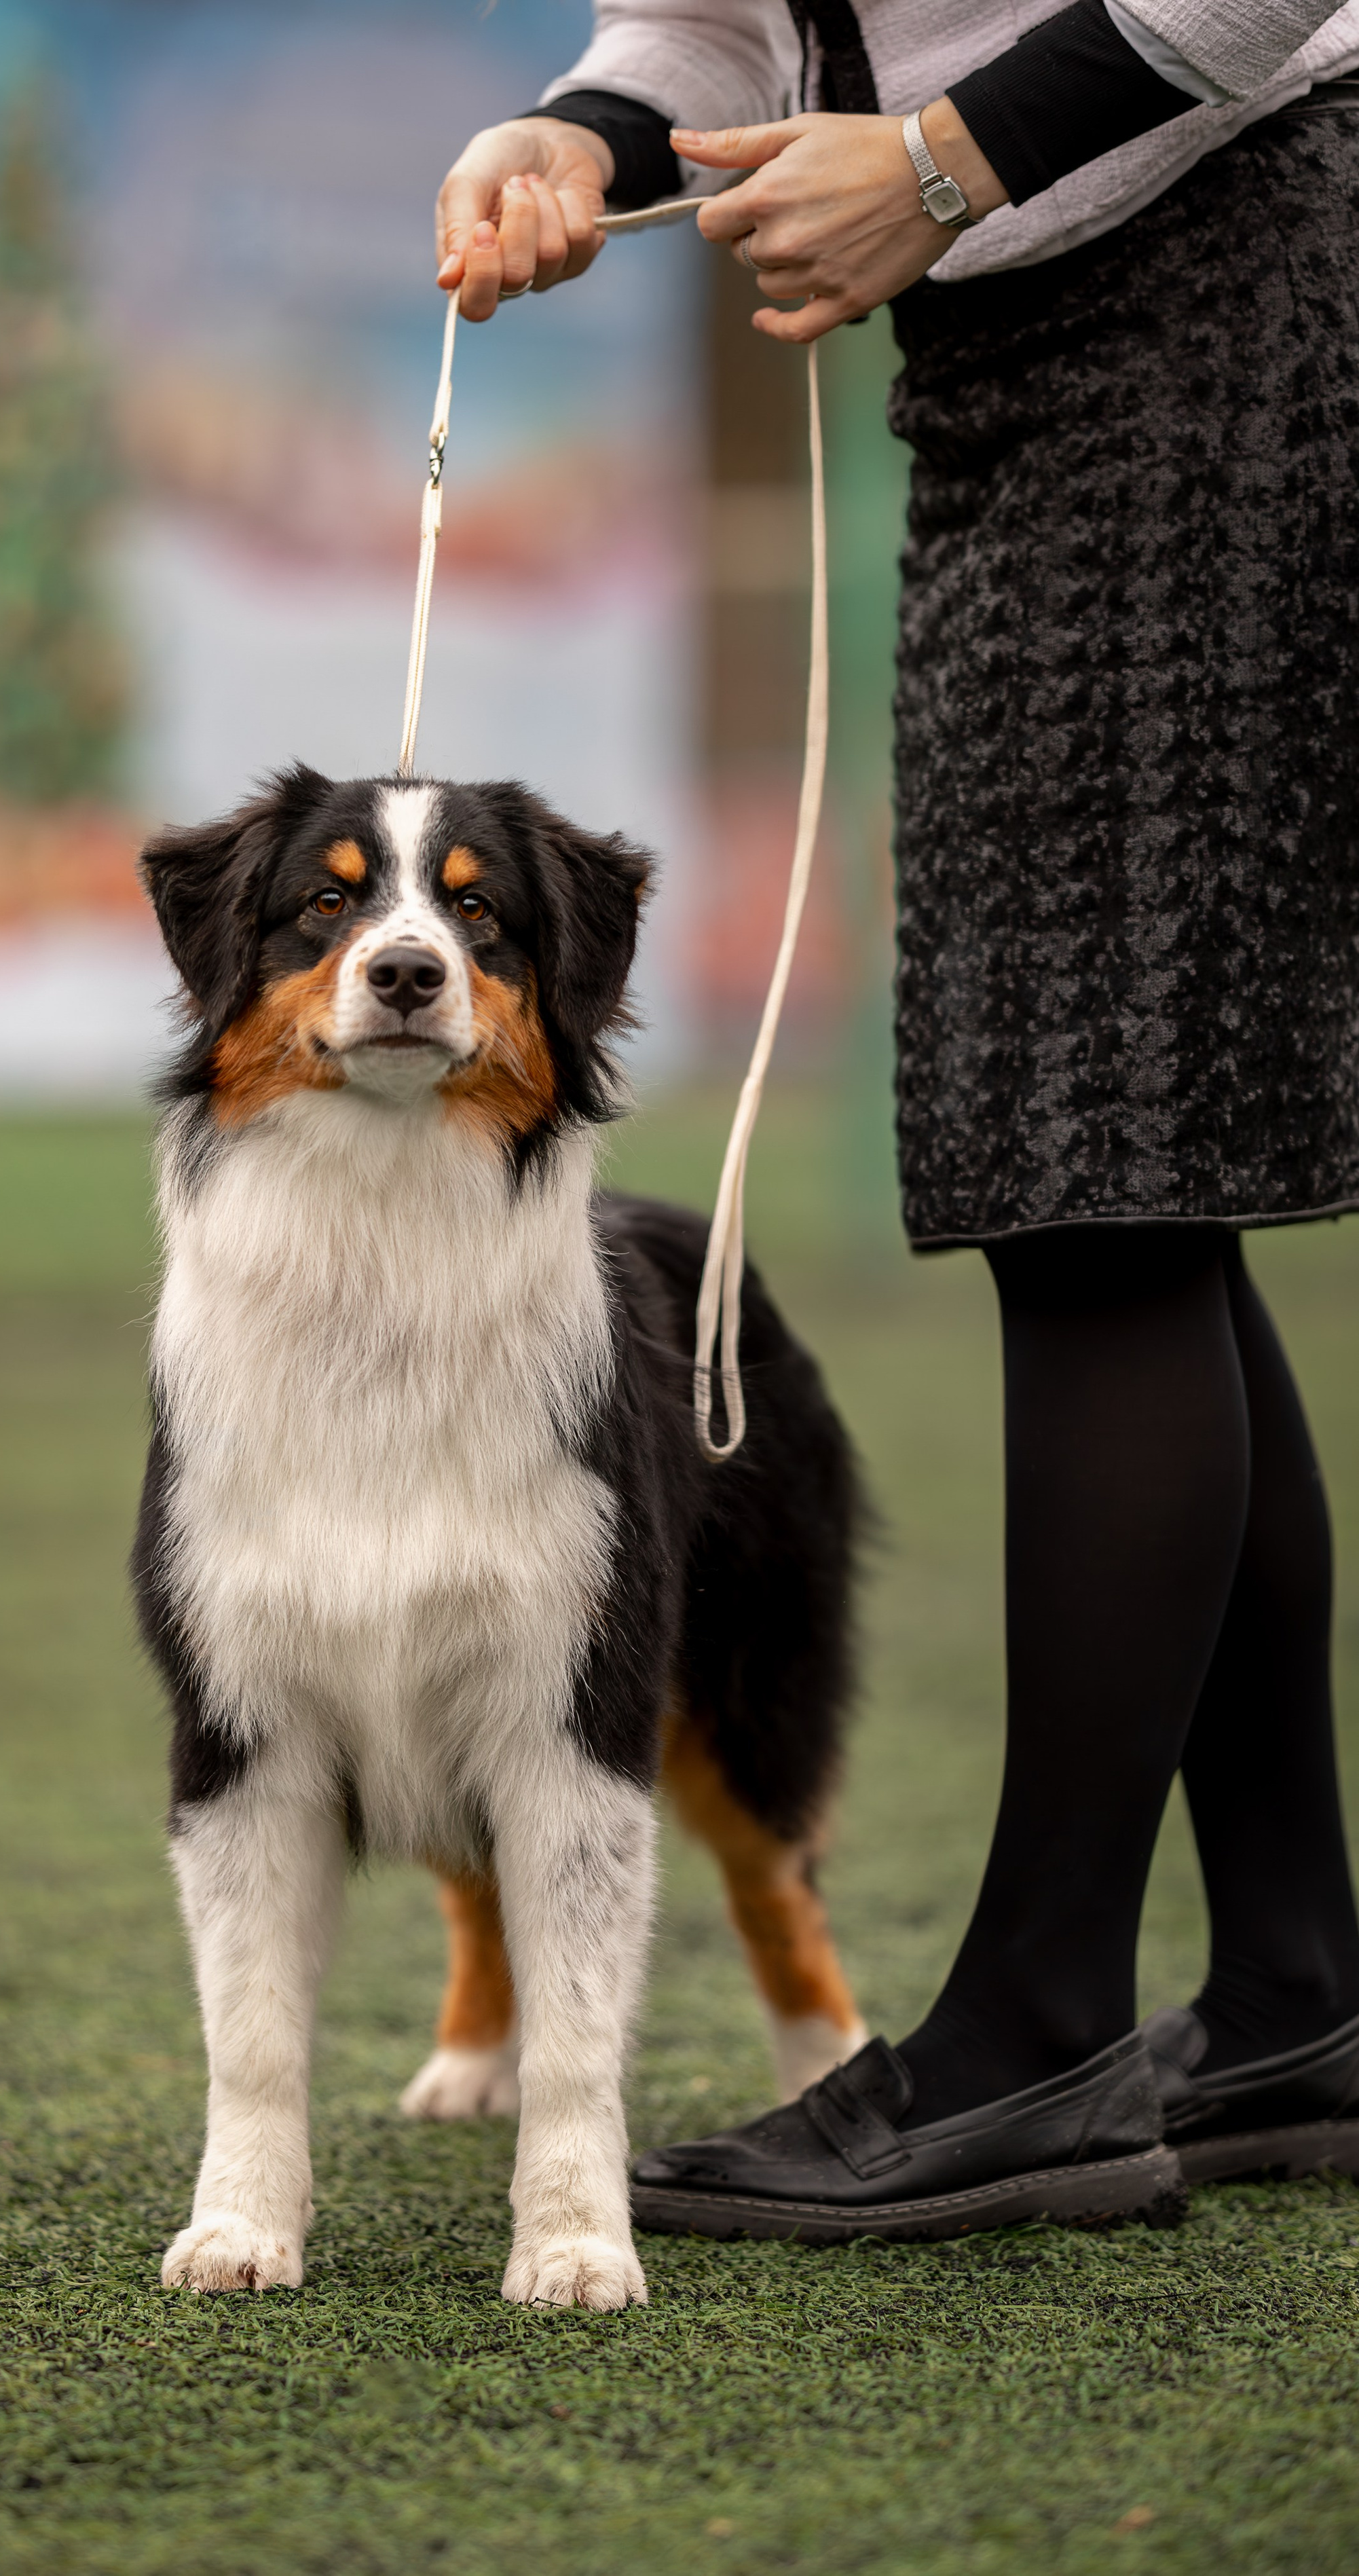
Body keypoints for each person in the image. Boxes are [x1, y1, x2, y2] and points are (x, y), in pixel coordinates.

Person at [434, 2, 1359, 2239]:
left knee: (1103, 1159)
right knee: (1131, 1160)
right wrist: (576, 133)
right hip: (1026, 332)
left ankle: (1043, 2024)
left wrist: (945, 158)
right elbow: (720, 21)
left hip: (1225, 282)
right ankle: (1297, 1987)